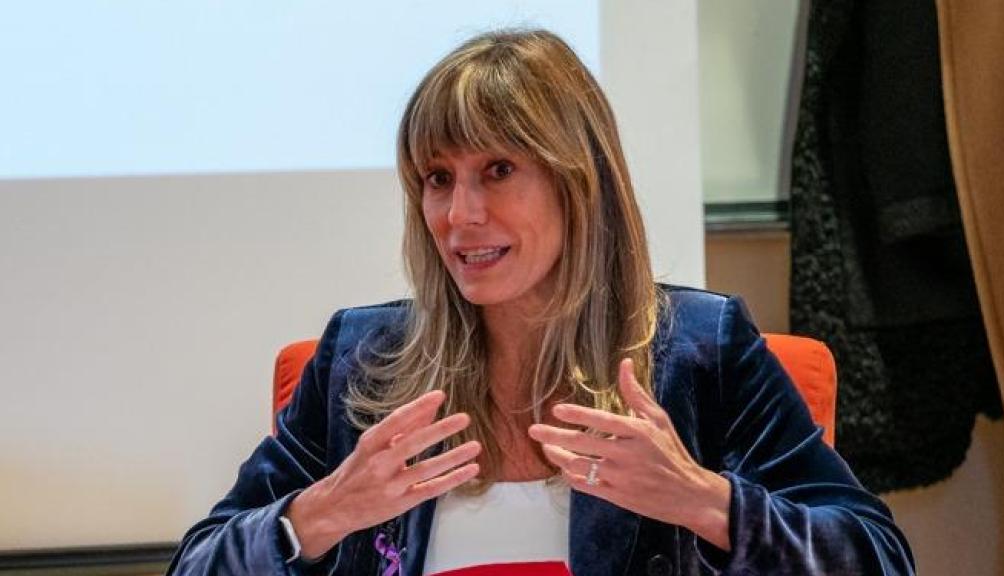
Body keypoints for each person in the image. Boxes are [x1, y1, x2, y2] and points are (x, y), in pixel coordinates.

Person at [167, 29, 915, 575]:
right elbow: (198, 565)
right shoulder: (364, 359)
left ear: (577, 182)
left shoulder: (699, 349)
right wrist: (322, 513)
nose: (459, 215)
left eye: (497, 169)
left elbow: (879, 559)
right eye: (436, 177)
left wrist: (704, 501)